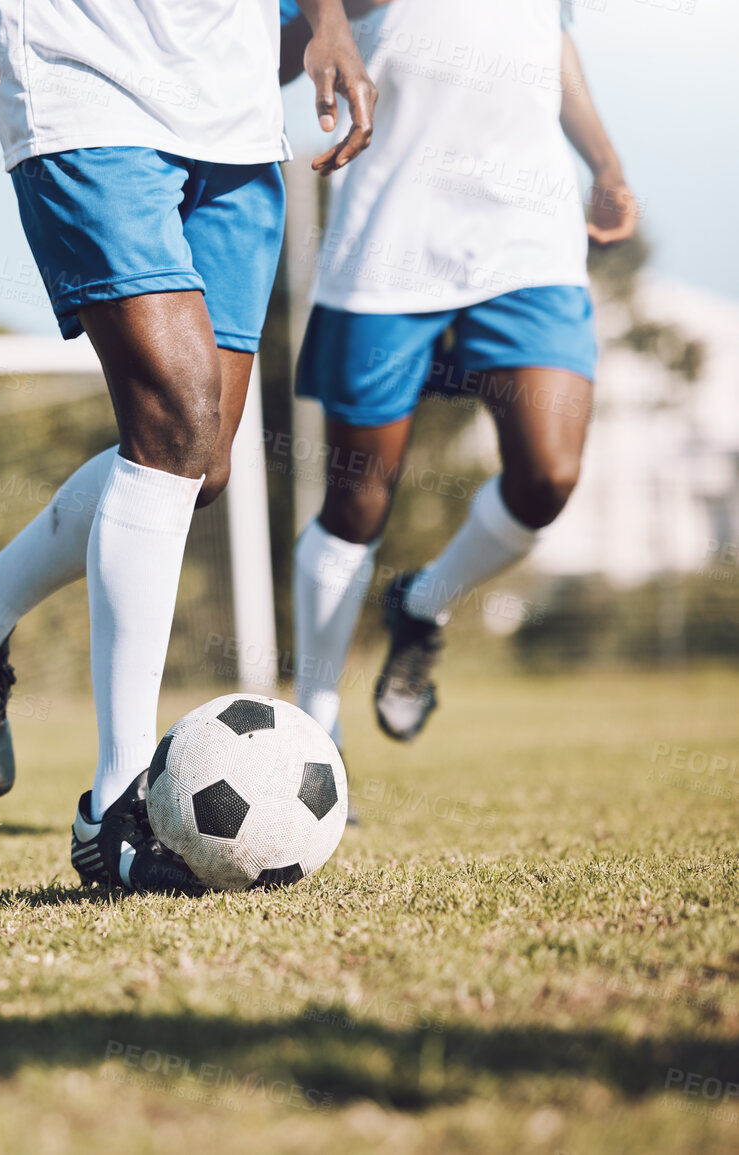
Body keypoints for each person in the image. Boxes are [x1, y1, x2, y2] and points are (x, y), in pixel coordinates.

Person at [0, 0, 376, 890]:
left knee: (201, 463)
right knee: (175, 427)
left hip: (235, 107)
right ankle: (116, 807)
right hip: (82, 85)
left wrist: (326, 21)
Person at [286, 0, 637, 748]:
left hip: (527, 241)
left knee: (548, 476)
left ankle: (422, 604)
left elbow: (553, 41)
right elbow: (297, 40)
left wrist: (603, 162)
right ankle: (315, 732)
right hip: (389, 239)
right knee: (356, 499)